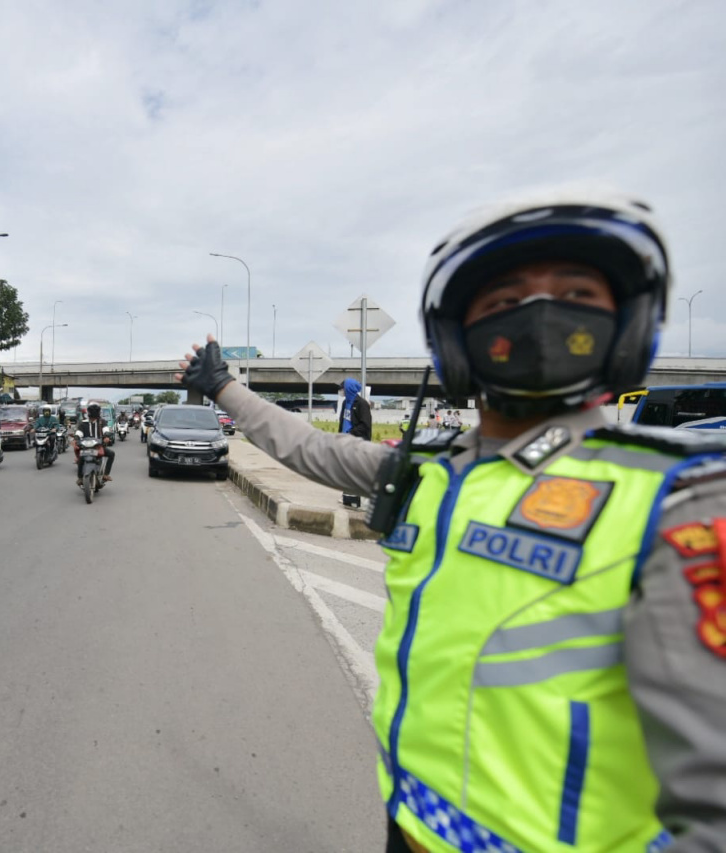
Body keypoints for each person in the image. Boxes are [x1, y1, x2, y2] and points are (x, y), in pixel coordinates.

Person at [178, 190, 726, 852]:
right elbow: (310, 448)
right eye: (501, 302)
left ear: (629, 324)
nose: (538, 316)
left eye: (576, 292)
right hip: (411, 827)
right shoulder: (432, 473)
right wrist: (223, 388)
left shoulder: (678, 498)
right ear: (453, 337)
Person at [338, 378, 373, 508]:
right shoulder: (345, 403)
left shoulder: (362, 404)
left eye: (343, 388)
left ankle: (360, 500)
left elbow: (365, 425)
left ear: (349, 389)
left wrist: (351, 433)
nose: (341, 391)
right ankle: (348, 497)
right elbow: (342, 422)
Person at [75, 402, 115, 485]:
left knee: (111, 454)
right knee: (81, 459)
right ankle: (80, 477)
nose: (93, 418)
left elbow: (106, 430)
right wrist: (77, 438)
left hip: (98, 446)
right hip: (85, 447)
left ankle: (106, 474)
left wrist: (107, 436)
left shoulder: (102, 422)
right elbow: (79, 433)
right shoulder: (83, 423)